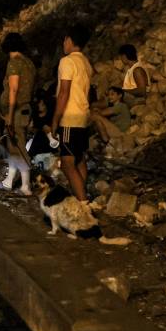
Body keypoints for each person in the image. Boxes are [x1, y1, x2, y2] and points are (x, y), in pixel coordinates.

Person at [51, 25, 94, 202]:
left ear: (69, 40)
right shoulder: (86, 62)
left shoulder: (67, 61)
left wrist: (55, 119)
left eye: (64, 40)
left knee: (67, 164)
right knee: (79, 159)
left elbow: (64, 92)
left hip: (70, 116)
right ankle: (80, 196)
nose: (63, 43)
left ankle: (83, 204)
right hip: (83, 116)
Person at [0, 33, 36, 195]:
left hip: (16, 111)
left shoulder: (14, 63)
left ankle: (25, 185)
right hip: (25, 109)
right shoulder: (29, 63)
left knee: (17, 146)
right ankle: (9, 180)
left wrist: (9, 114)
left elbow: (13, 89)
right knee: (14, 144)